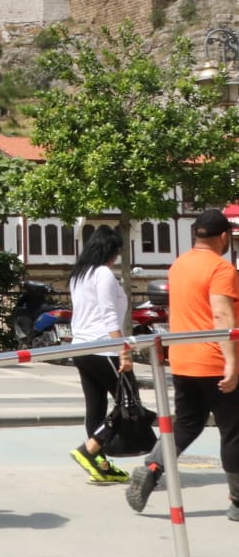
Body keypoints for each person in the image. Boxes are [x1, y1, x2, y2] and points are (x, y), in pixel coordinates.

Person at [127, 208, 239, 518]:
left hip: (183, 359)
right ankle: (238, 501)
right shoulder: (221, 268)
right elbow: (221, 316)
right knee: (234, 431)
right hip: (215, 361)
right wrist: (232, 362)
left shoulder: (179, 265)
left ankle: (151, 468)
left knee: (187, 424)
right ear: (223, 237)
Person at [65, 225, 133, 485]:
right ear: (109, 250)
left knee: (96, 407)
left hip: (82, 347)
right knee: (129, 402)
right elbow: (109, 315)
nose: (116, 257)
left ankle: (100, 464)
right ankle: (90, 449)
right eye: (116, 251)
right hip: (104, 347)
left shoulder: (79, 275)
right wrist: (122, 351)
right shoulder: (103, 274)